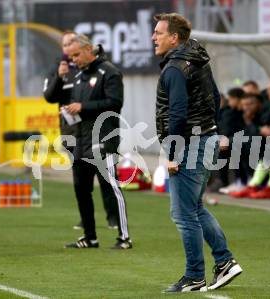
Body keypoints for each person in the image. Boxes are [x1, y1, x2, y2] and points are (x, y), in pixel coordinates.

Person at [152, 13, 242, 292]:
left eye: (158, 32)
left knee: (183, 214)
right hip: (205, 138)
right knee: (195, 208)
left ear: (174, 37)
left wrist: (175, 151)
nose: (154, 37)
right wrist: (211, 130)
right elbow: (215, 97)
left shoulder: (175, 68)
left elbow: (177, 112)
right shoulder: (197, 59)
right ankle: (225, 262)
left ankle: (194, 276)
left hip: (189, 144)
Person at [63, 34, 131, 249]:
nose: (73, 59)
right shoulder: (78, 76)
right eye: (70, 56)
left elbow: (115, 103)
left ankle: (124, 238)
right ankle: (90, 237)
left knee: (112, 188)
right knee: (81, 190)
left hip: (103, 138)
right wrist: (71, 111)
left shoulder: (109, 71)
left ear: (88, 49)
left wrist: (82, 107)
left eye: (76, 54)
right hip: (81, 140)